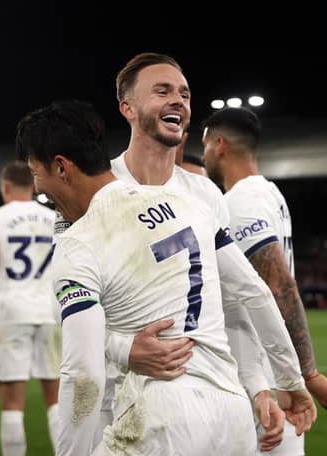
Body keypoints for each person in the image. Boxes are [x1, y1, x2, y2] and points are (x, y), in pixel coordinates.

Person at [15, 99, 266, 455]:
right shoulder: (189, 203)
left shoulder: (79, 242)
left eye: (35, 173)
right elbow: (254, 291)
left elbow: (83, 374)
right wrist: (289, 379)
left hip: (161, 415)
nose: (38, 189)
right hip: (232, 411)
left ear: (60, 167)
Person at [105, 52, 316, 443]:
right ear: (127, 108)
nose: (178, 101)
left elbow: (240, 297)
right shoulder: (100, 190)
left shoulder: (204, 194)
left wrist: (264, 383)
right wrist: (122, 349)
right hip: (140, 402)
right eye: (162, 91)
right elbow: (68, 303)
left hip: (222, 406)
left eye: (184, 94)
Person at [201, 107, 327, 454]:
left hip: (264, 382)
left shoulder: (240, 201)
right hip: (269, 377)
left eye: (204, 146)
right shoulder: (271, 194)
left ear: (219, 144)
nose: (203, 157)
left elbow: (280, 286)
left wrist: (308, 373)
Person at [0, 161, 60, 456]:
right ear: (33, 187)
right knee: (56, 400)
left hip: (12, 312)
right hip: (51, 312)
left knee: (11, 404)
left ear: (5, 186)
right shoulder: (53, 217)